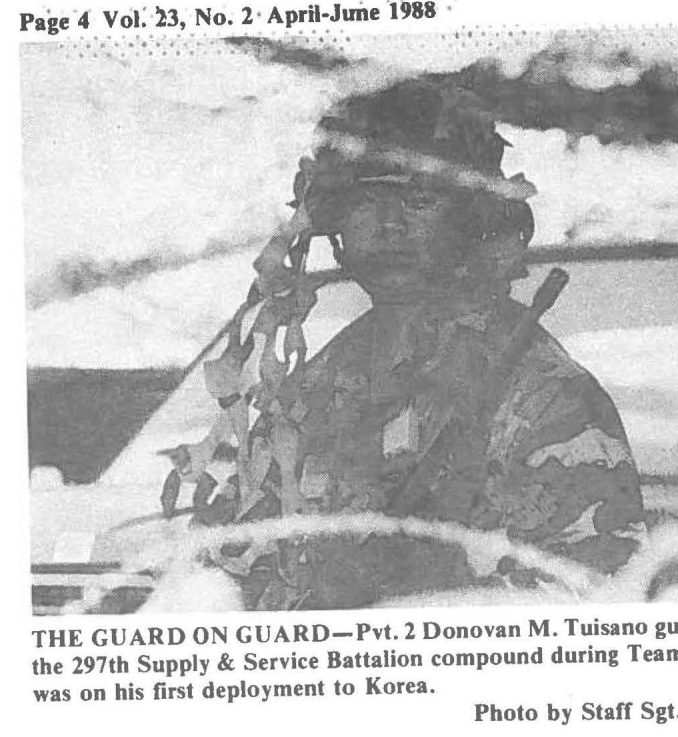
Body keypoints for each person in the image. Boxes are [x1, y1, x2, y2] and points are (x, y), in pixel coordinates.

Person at [234, 82, 646, 609]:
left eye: (419, 201)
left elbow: (597, 594)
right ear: (334, 221)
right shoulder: (318, 385)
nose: (388, 227)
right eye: (364, 204)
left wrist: (419, 605)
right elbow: (242, 553)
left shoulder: (542, 394)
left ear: (470, 220)